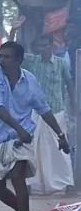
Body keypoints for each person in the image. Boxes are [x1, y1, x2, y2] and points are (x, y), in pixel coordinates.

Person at [0, 41, 70, 211]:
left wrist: (60, 135)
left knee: (18, 177)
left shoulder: (30, 80)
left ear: (19, 60)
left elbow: (43, 109)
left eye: (7, 57)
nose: (2, 61)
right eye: (1, 56)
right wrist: (19, 129)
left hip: (22, 140)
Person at [21, 34, 76, 195]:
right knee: (34, 147)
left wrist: (74, 103)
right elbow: (14, 52)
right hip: (36, 112)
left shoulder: (61, 64)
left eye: (46, 45)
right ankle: (35, 183)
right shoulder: (33, 61)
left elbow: (69, 83)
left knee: (60, 147)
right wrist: (13, 31)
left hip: (56, 110)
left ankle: (65, 182)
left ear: (52, 46)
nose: (43, 48)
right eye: (40, 45)